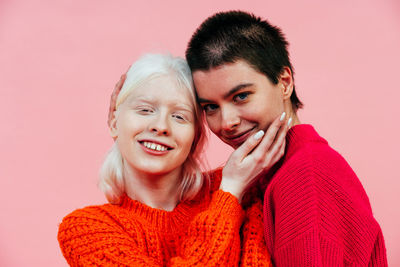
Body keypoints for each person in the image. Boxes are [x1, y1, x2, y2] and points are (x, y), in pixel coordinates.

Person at [106, 10, 388, 267]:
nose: (227, 122)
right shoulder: (260, 178)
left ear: (285, 82)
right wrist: (123, 118)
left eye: (241, 96)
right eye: (211, 107)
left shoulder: (303, 176)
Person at [58, 53, 289, 266]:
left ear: (195, 137)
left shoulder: (246, 187)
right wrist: (229, 195)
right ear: (115, 122)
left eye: (179, 116)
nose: (160, 127)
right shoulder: (85, 229)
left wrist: (232, 189)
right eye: (145, 110)